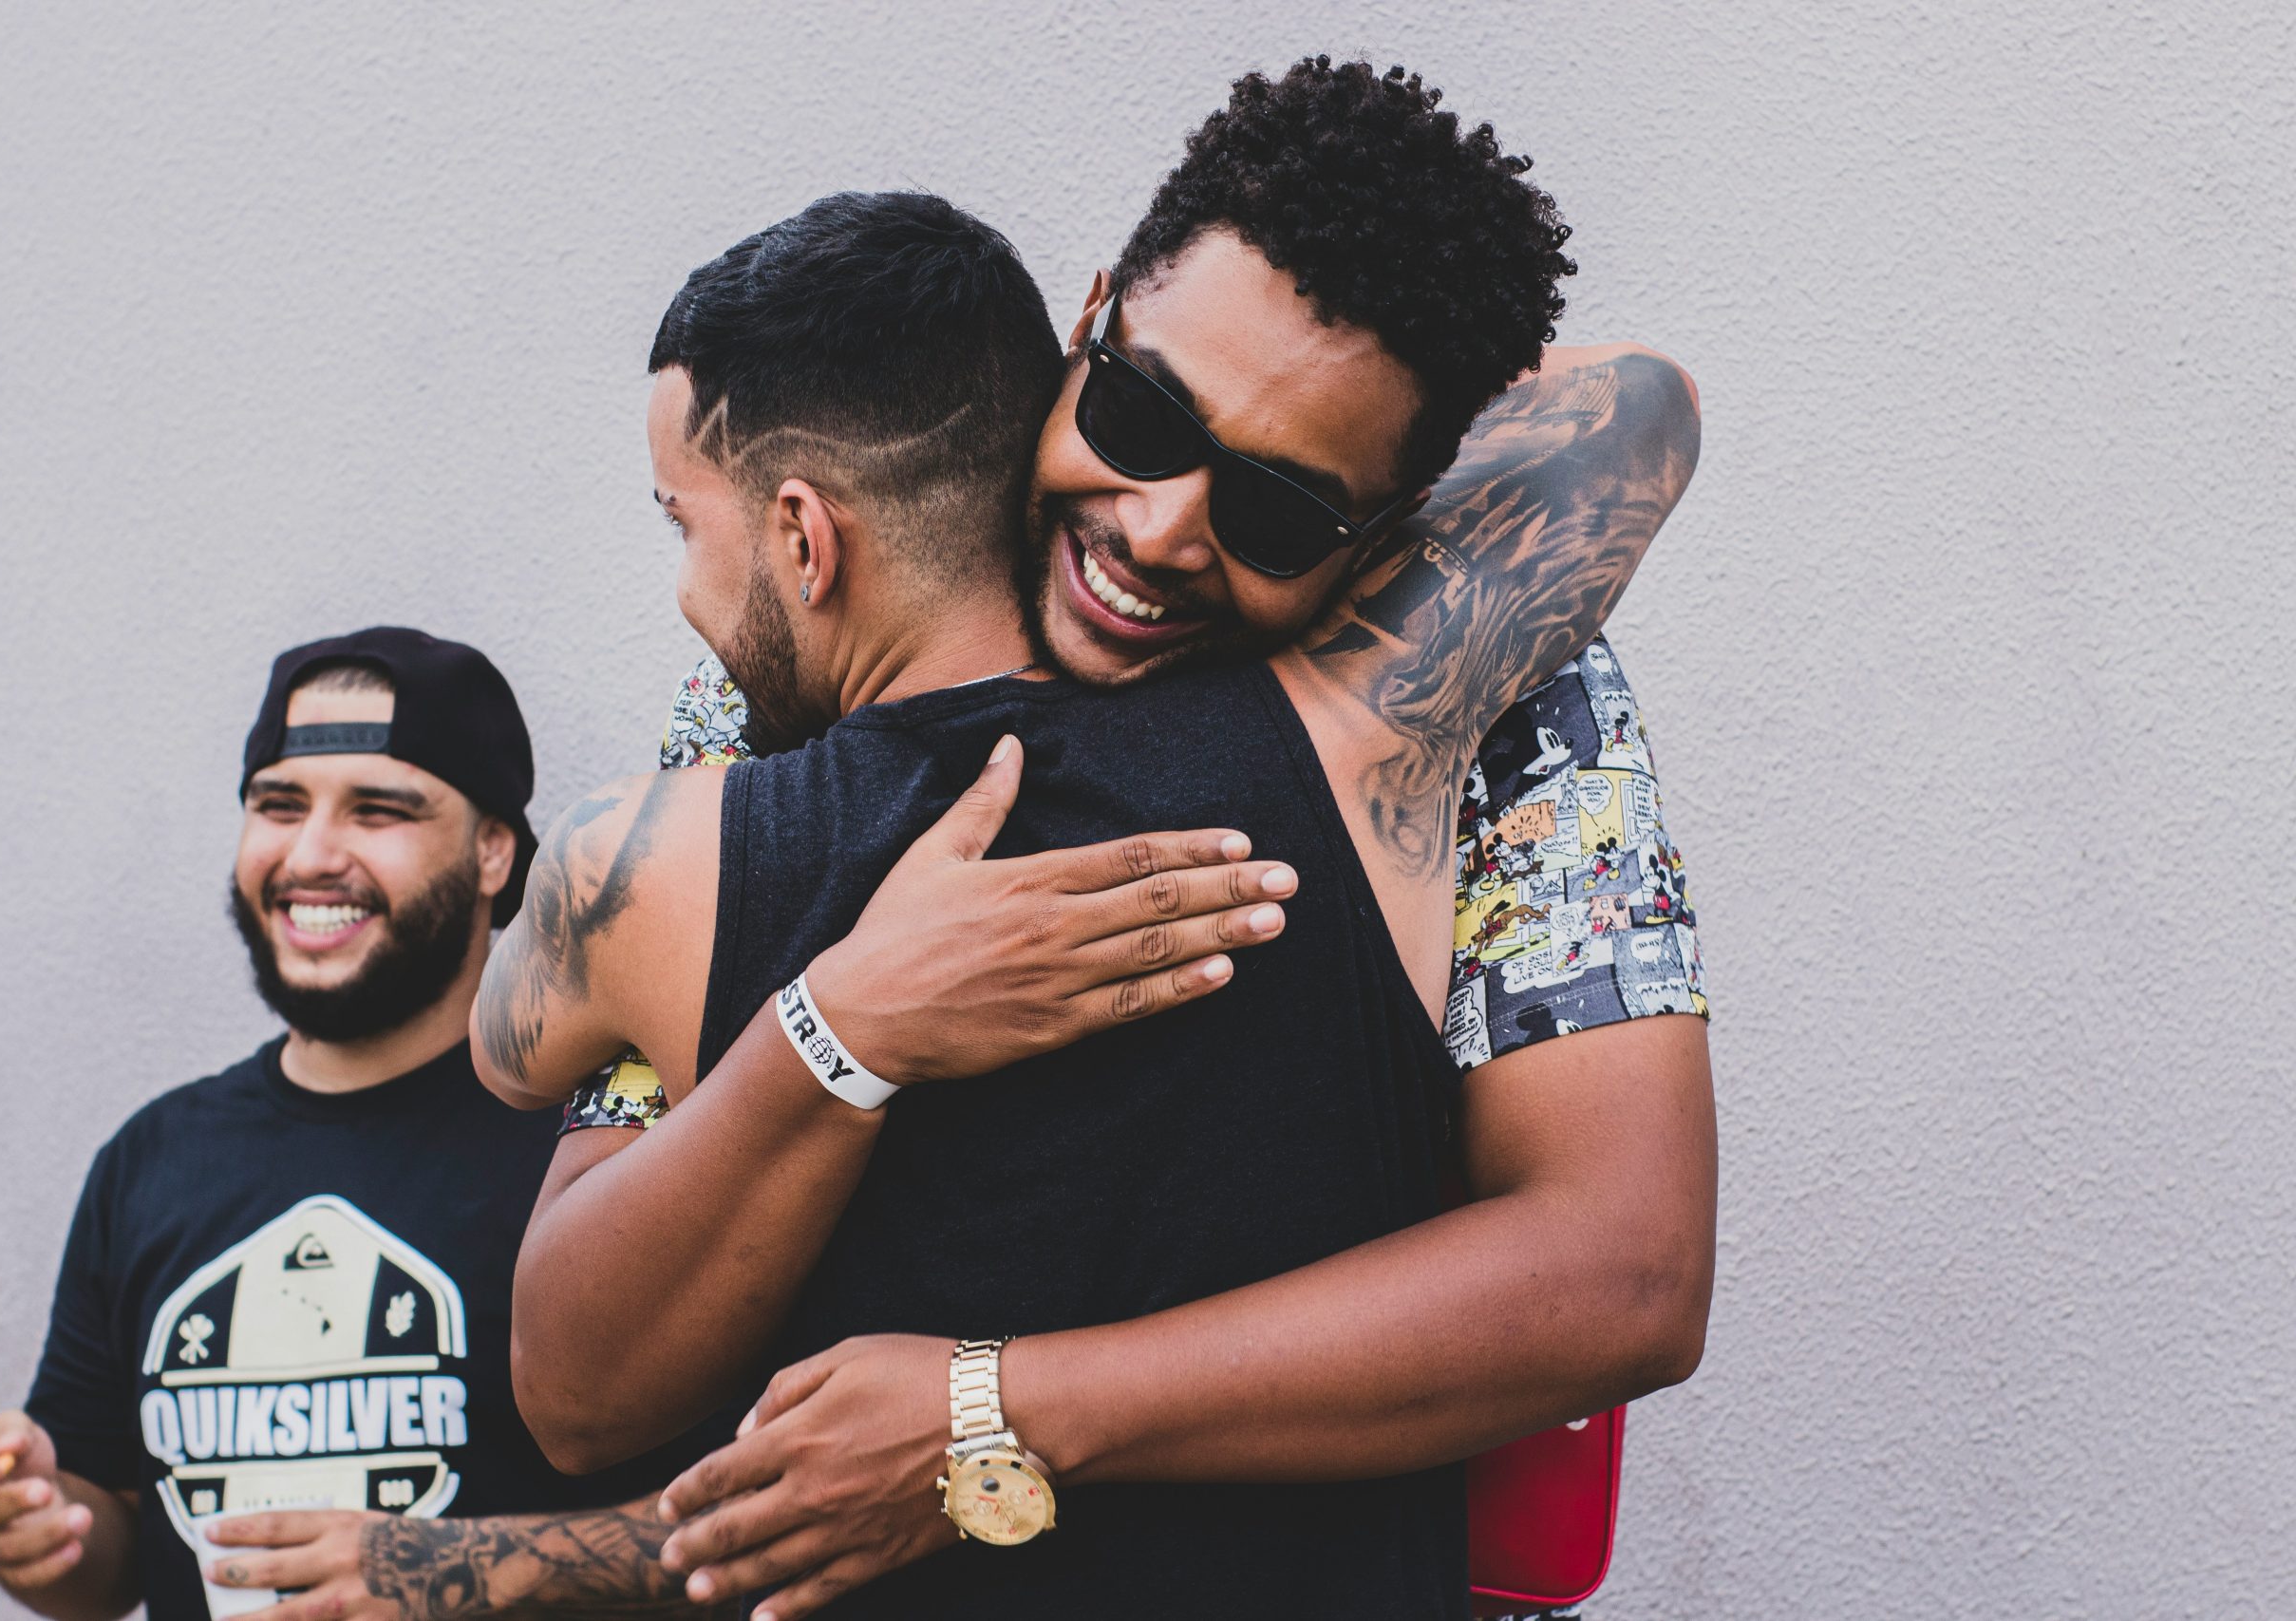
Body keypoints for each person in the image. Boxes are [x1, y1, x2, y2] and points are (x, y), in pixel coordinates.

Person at [477, 59, 1710, 1621]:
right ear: (1090, 317)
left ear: (1394, 526)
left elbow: (1624, 1270)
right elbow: (579, 1370)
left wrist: (999, 1409)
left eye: (1276, 507)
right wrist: (843, 1023)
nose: (1156, 528)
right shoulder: (784, 671)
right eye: (1141, 412)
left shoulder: (1492, 680)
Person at [0, 630, 731, 1621]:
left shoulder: (599, 1144)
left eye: (379, 811)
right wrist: (39, 1521)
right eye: (278, 805)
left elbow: (762, 1521)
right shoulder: (152, 1160)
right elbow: (110, 1548)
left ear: (494, 852)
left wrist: (451, 1567)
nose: (311, 856)